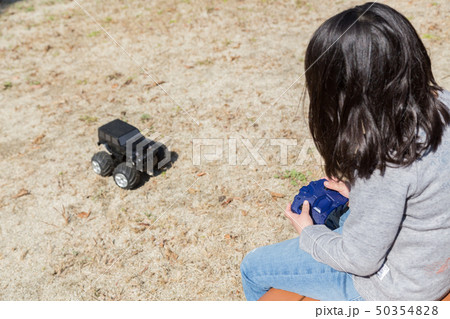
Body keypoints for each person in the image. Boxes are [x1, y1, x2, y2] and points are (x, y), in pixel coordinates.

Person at [240, 2, 450, 301]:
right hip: (433, 258)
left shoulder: (388, 158)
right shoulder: (443, 102)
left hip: (399, 286)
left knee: (254, 266)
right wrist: (361, 193)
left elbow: (360, 259)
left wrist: (308, 232)